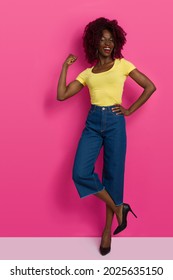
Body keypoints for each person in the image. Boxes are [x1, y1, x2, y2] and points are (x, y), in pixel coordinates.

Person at [57, 17, 156, 255]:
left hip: (114, 122)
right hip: (92, 123)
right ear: (94, 42)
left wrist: (130, 110)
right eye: (102, 39)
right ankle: (119, 208)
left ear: (116, 42)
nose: (107, 43)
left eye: (111, 39)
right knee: (80, 172)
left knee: (113, 177)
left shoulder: (122, 64)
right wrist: (64, 67)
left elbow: (150, 86)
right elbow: (61, 95)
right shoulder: (88, 73)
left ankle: (106, 231)